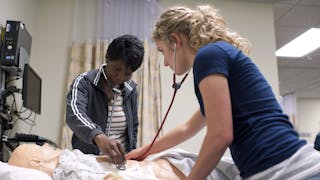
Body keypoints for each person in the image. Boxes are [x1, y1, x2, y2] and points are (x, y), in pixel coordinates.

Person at [126, 5, 320, 180]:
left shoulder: (208, 56)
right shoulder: (215, 55)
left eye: (162, 51)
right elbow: (188, 128)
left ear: (176, 41)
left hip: (293, 170)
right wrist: (144, 151)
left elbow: (220, 136)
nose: (166, 63)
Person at [66, 34, 144, 166]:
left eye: (127, 74)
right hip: (89, 162)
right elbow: (74, 114)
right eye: (117, 69)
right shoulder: (84, 82)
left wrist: (132, 156)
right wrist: (98, 136)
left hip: (120, 164)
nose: (120, 77)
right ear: (107, 57)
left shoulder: (131, 90)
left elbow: (133, 128)